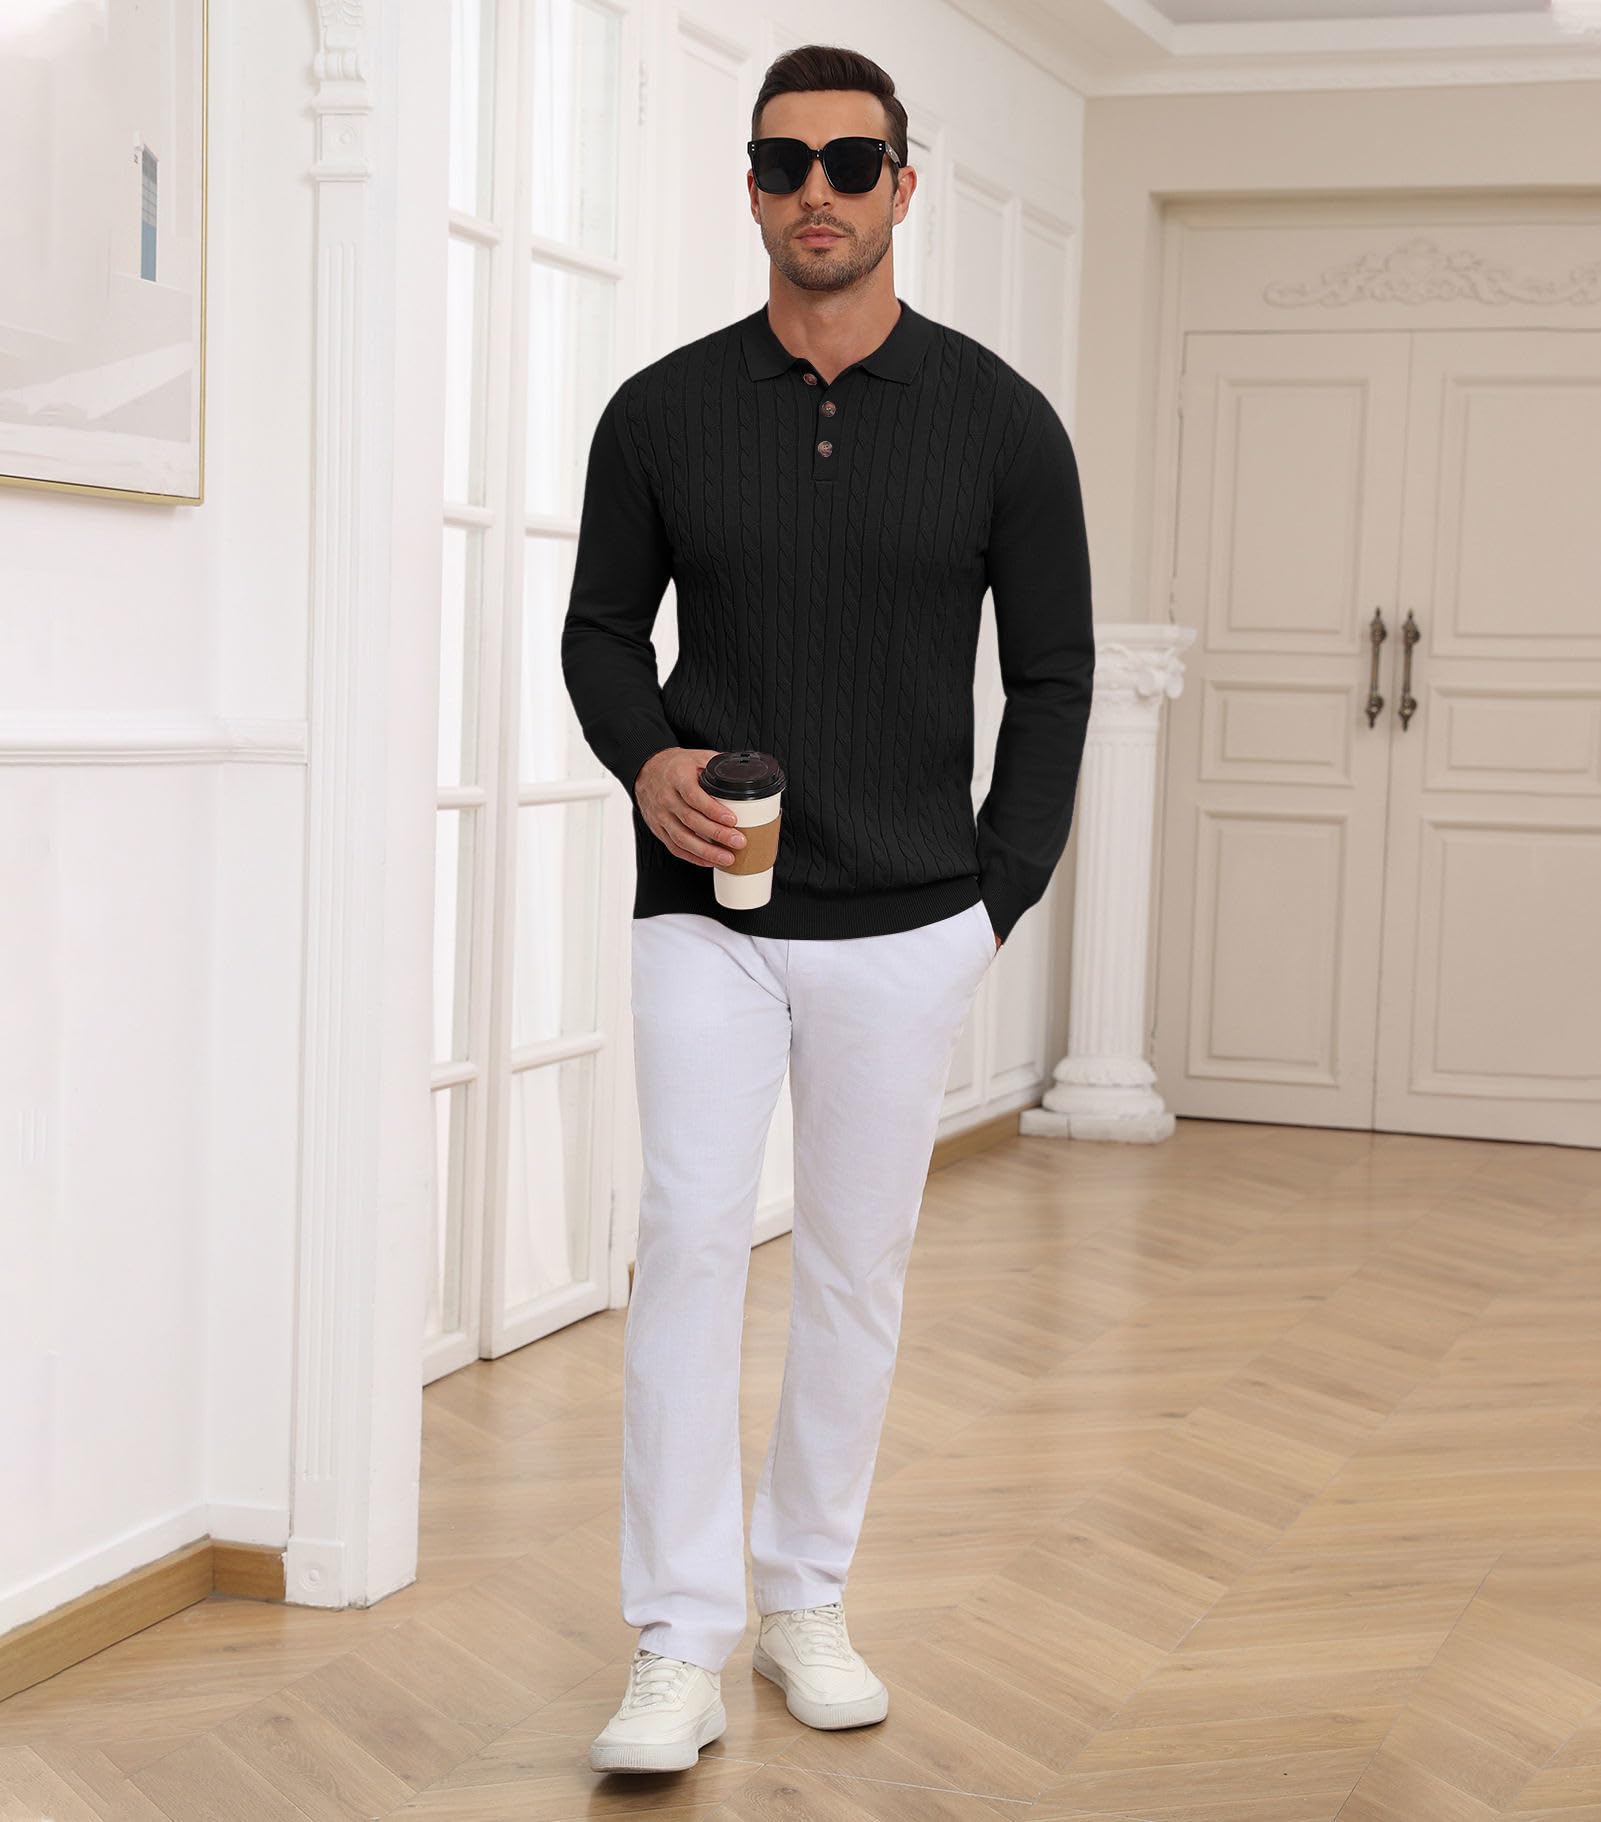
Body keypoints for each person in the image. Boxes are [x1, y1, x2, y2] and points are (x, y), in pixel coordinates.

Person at [561, 41, 1094, 1776]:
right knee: (688, 1244)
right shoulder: (658, 410)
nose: (817, 191)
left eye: (850, 164)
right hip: (703, 913)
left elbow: (1057, 677)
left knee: (854, 1269)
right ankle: (676, 1637)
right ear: (748, 185)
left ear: (900, 186)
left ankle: (803, 1596)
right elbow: (598, 632)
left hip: (911, 922)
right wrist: (645, 758)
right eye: (784, 161)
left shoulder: (1002, 422)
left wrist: (994, 895)